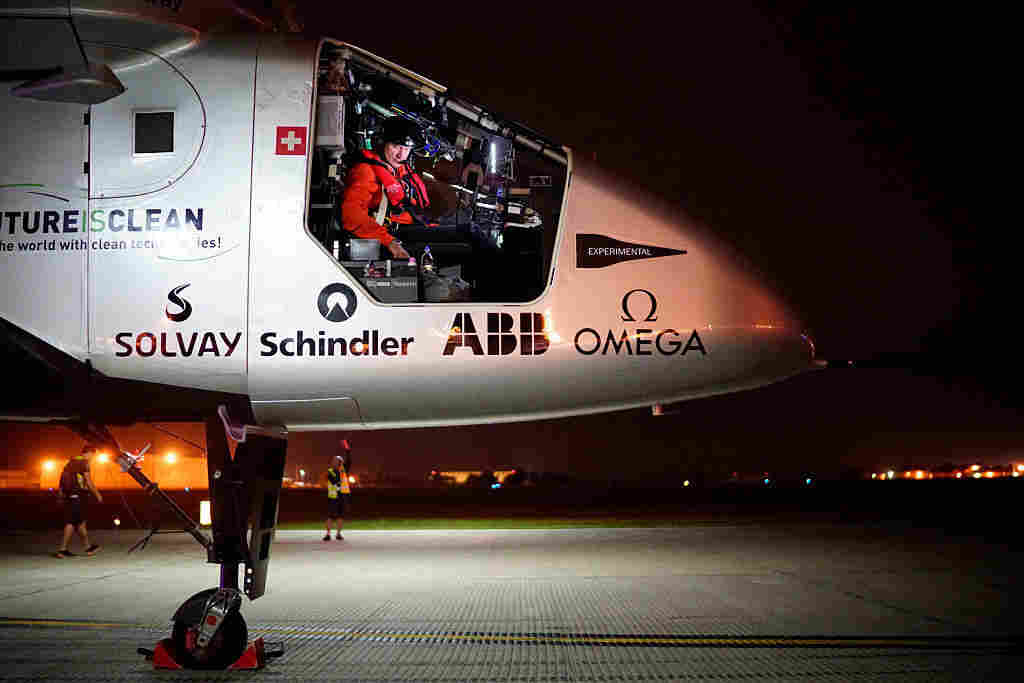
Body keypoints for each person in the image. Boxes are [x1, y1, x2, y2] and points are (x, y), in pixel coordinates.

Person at [338, 117, 431, 260]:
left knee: (469, 232)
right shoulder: (366, 171)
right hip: (386, 239)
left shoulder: (397, 170)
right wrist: (391, 242)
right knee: (469, 239)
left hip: (406, 229)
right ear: (383, 142)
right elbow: (351, 216)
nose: (401, 155)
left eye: (406, 149)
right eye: (396, 146)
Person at [56, 445, 104, 558]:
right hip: (78, 496)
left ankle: (87, 548)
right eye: (93, 455)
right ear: (89, 453)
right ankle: (62, 550)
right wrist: (98, 495)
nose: (93, 458)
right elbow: (88, 481)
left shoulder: (71, 461)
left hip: (69, 496)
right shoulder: (84, 463)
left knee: (78, 522)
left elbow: (61, 480)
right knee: (73, 522)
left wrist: (61, 495)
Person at [324, 439, 353, 541]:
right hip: (333, 496)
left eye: (337, 460)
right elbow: (334, 480)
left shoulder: (343, 470)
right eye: (334, 460)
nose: (334, 462)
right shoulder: (330, 471)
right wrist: (339, 478)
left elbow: (349, 459)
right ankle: (328, 534)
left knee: (341, 516)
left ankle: (338, 534)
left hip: (343, 495)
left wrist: (347, 448)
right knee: (330, 516)